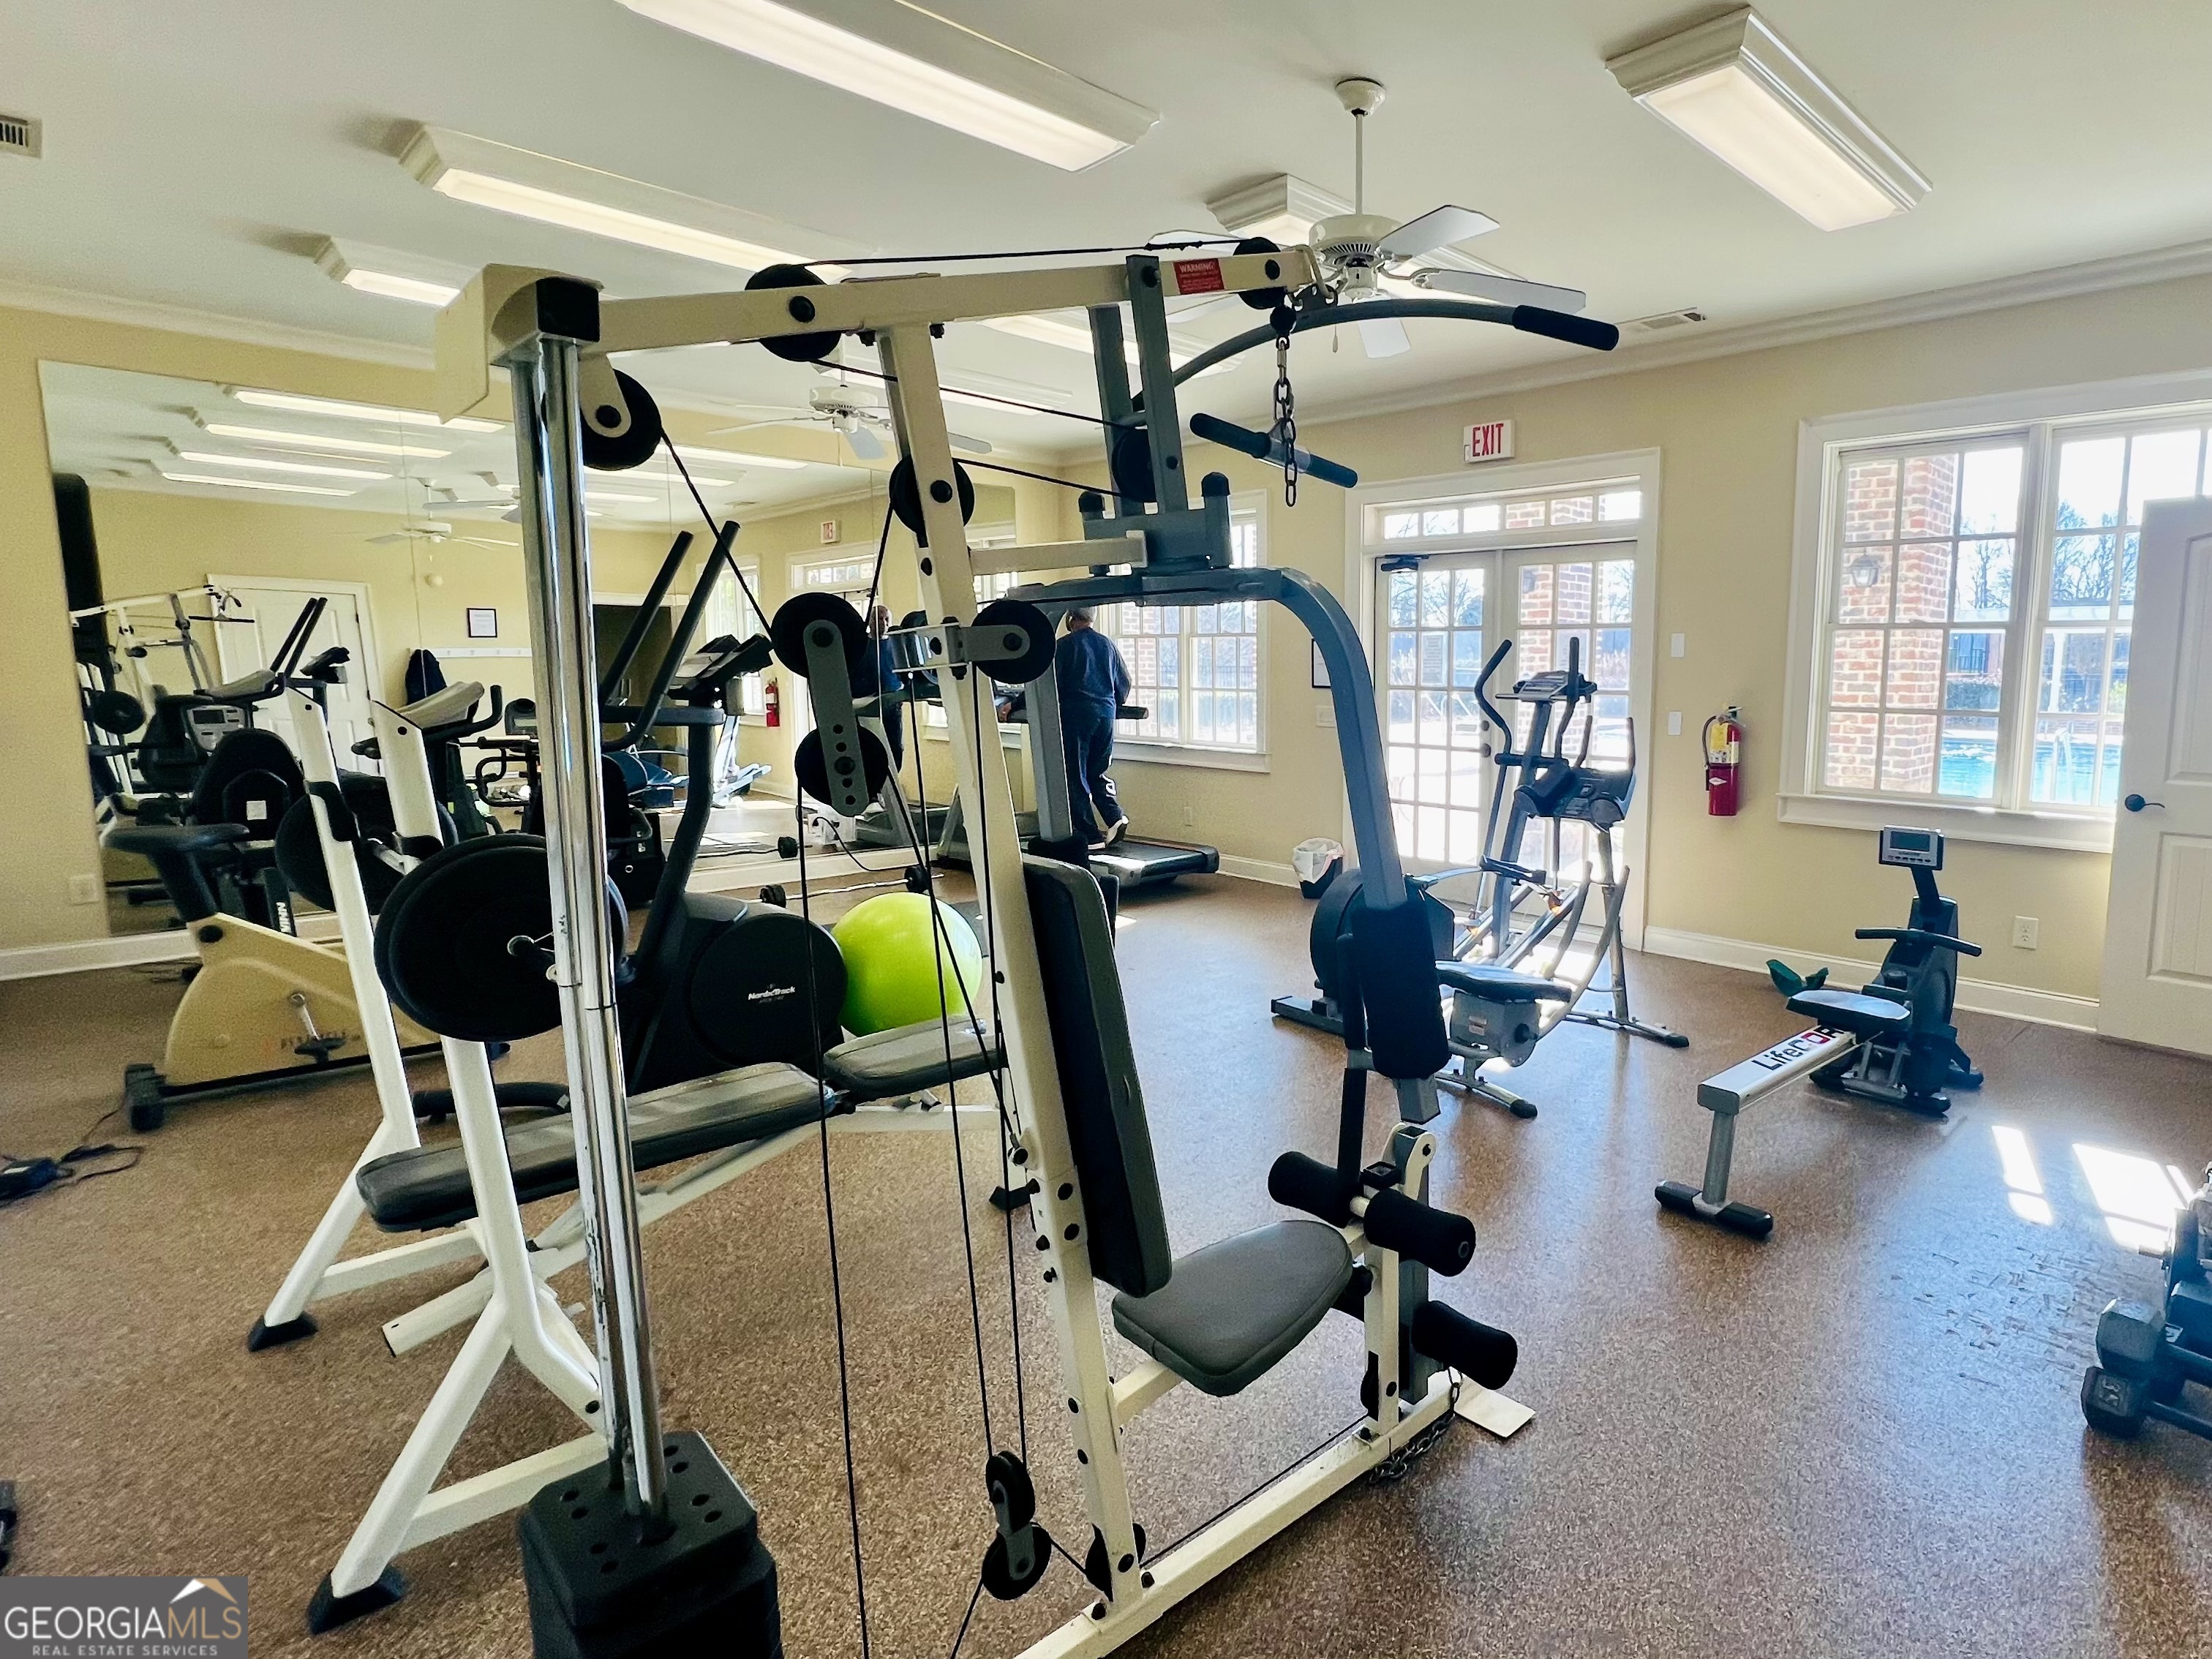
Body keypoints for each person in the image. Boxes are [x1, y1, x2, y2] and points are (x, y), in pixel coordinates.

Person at [1054, 607, 1131, 848]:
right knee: (1096, 772)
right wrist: (1110, 702)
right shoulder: (1108, 645)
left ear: (1069, 619)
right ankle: (1115, 817)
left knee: (1075, 776)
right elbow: (1125, 684)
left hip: (1077, 716)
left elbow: (1046, 683)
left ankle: (1089, 836)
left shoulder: (1064, 646)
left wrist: (1014, 703)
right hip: (1106, 715)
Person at [856, 603, 905, 770]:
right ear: (870, 622)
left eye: (886, 619)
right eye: (878, 619)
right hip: (867, 704)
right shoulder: (861, 646)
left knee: (895, 747)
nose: (883, 623)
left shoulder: (895, 645)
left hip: (892, 704)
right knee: (870, 746)